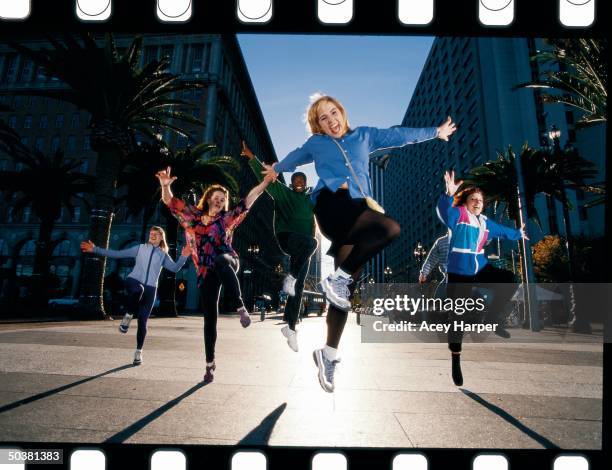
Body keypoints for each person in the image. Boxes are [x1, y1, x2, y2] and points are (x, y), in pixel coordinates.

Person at [262, 94, 457, 392]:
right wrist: (277, 169)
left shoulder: (365, 136)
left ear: (342, 112)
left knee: (343, 295)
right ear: (319, 126)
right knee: (390, 227)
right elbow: (295, 156)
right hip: (331, 206)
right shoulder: (317, 144)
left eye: (333, 113)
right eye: (323, 119)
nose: (331, 121)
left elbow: (398, 135)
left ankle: (328, 354)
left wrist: (435, 132)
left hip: (360, 209)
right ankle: (338, 279)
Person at [156, 166, 274, 383]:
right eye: (217, 198)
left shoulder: (227, 219)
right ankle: (210, 364)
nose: (220, 201)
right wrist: (165, 187)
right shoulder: (193, 216)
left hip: (228, 261)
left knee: (221, 259)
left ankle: (240, 307)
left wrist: (265, 183)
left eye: (223, 199)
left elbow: (249, 200)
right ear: (208, 198)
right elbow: (171, 202)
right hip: (204, 270)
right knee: (209, 319)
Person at [437, 170, 528, 386]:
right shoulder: (458, 215)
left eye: (480, 200)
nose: (477, 203)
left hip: (479, 267)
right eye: (473, 199)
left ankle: (492, 318)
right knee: (457, 319)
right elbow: (444, 213)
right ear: (466, 202)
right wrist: (448, 195)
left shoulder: (485, 222)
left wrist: (517, 233)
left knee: (509, 280)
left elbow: (503, 231)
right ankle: (455, 362)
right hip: (459, 272)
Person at [241, 141, 317, 352]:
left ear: (306, 183)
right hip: (287, 238)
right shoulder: (284, 193)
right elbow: (265, 179)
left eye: (302, 179)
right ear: (292, 183)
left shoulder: (311, 200)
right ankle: (290, 278)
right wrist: (251, 157)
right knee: (314, 242)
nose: (300, 182)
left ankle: (290, 327)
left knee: (299, 287)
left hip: (303, 250)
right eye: (296, 180)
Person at [80, 226, 191, 365]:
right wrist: (95, 249)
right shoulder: (139, 248)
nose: (152, 235)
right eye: (151, 233)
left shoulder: (163, 254)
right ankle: (128, 316)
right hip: (134, 281)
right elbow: (117, 254)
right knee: (138, 290)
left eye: (156, 234)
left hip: (151, 289)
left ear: (162, 237)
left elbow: (174, 268)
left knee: (143, 321)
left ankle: (138, 352)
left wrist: (184, 257)